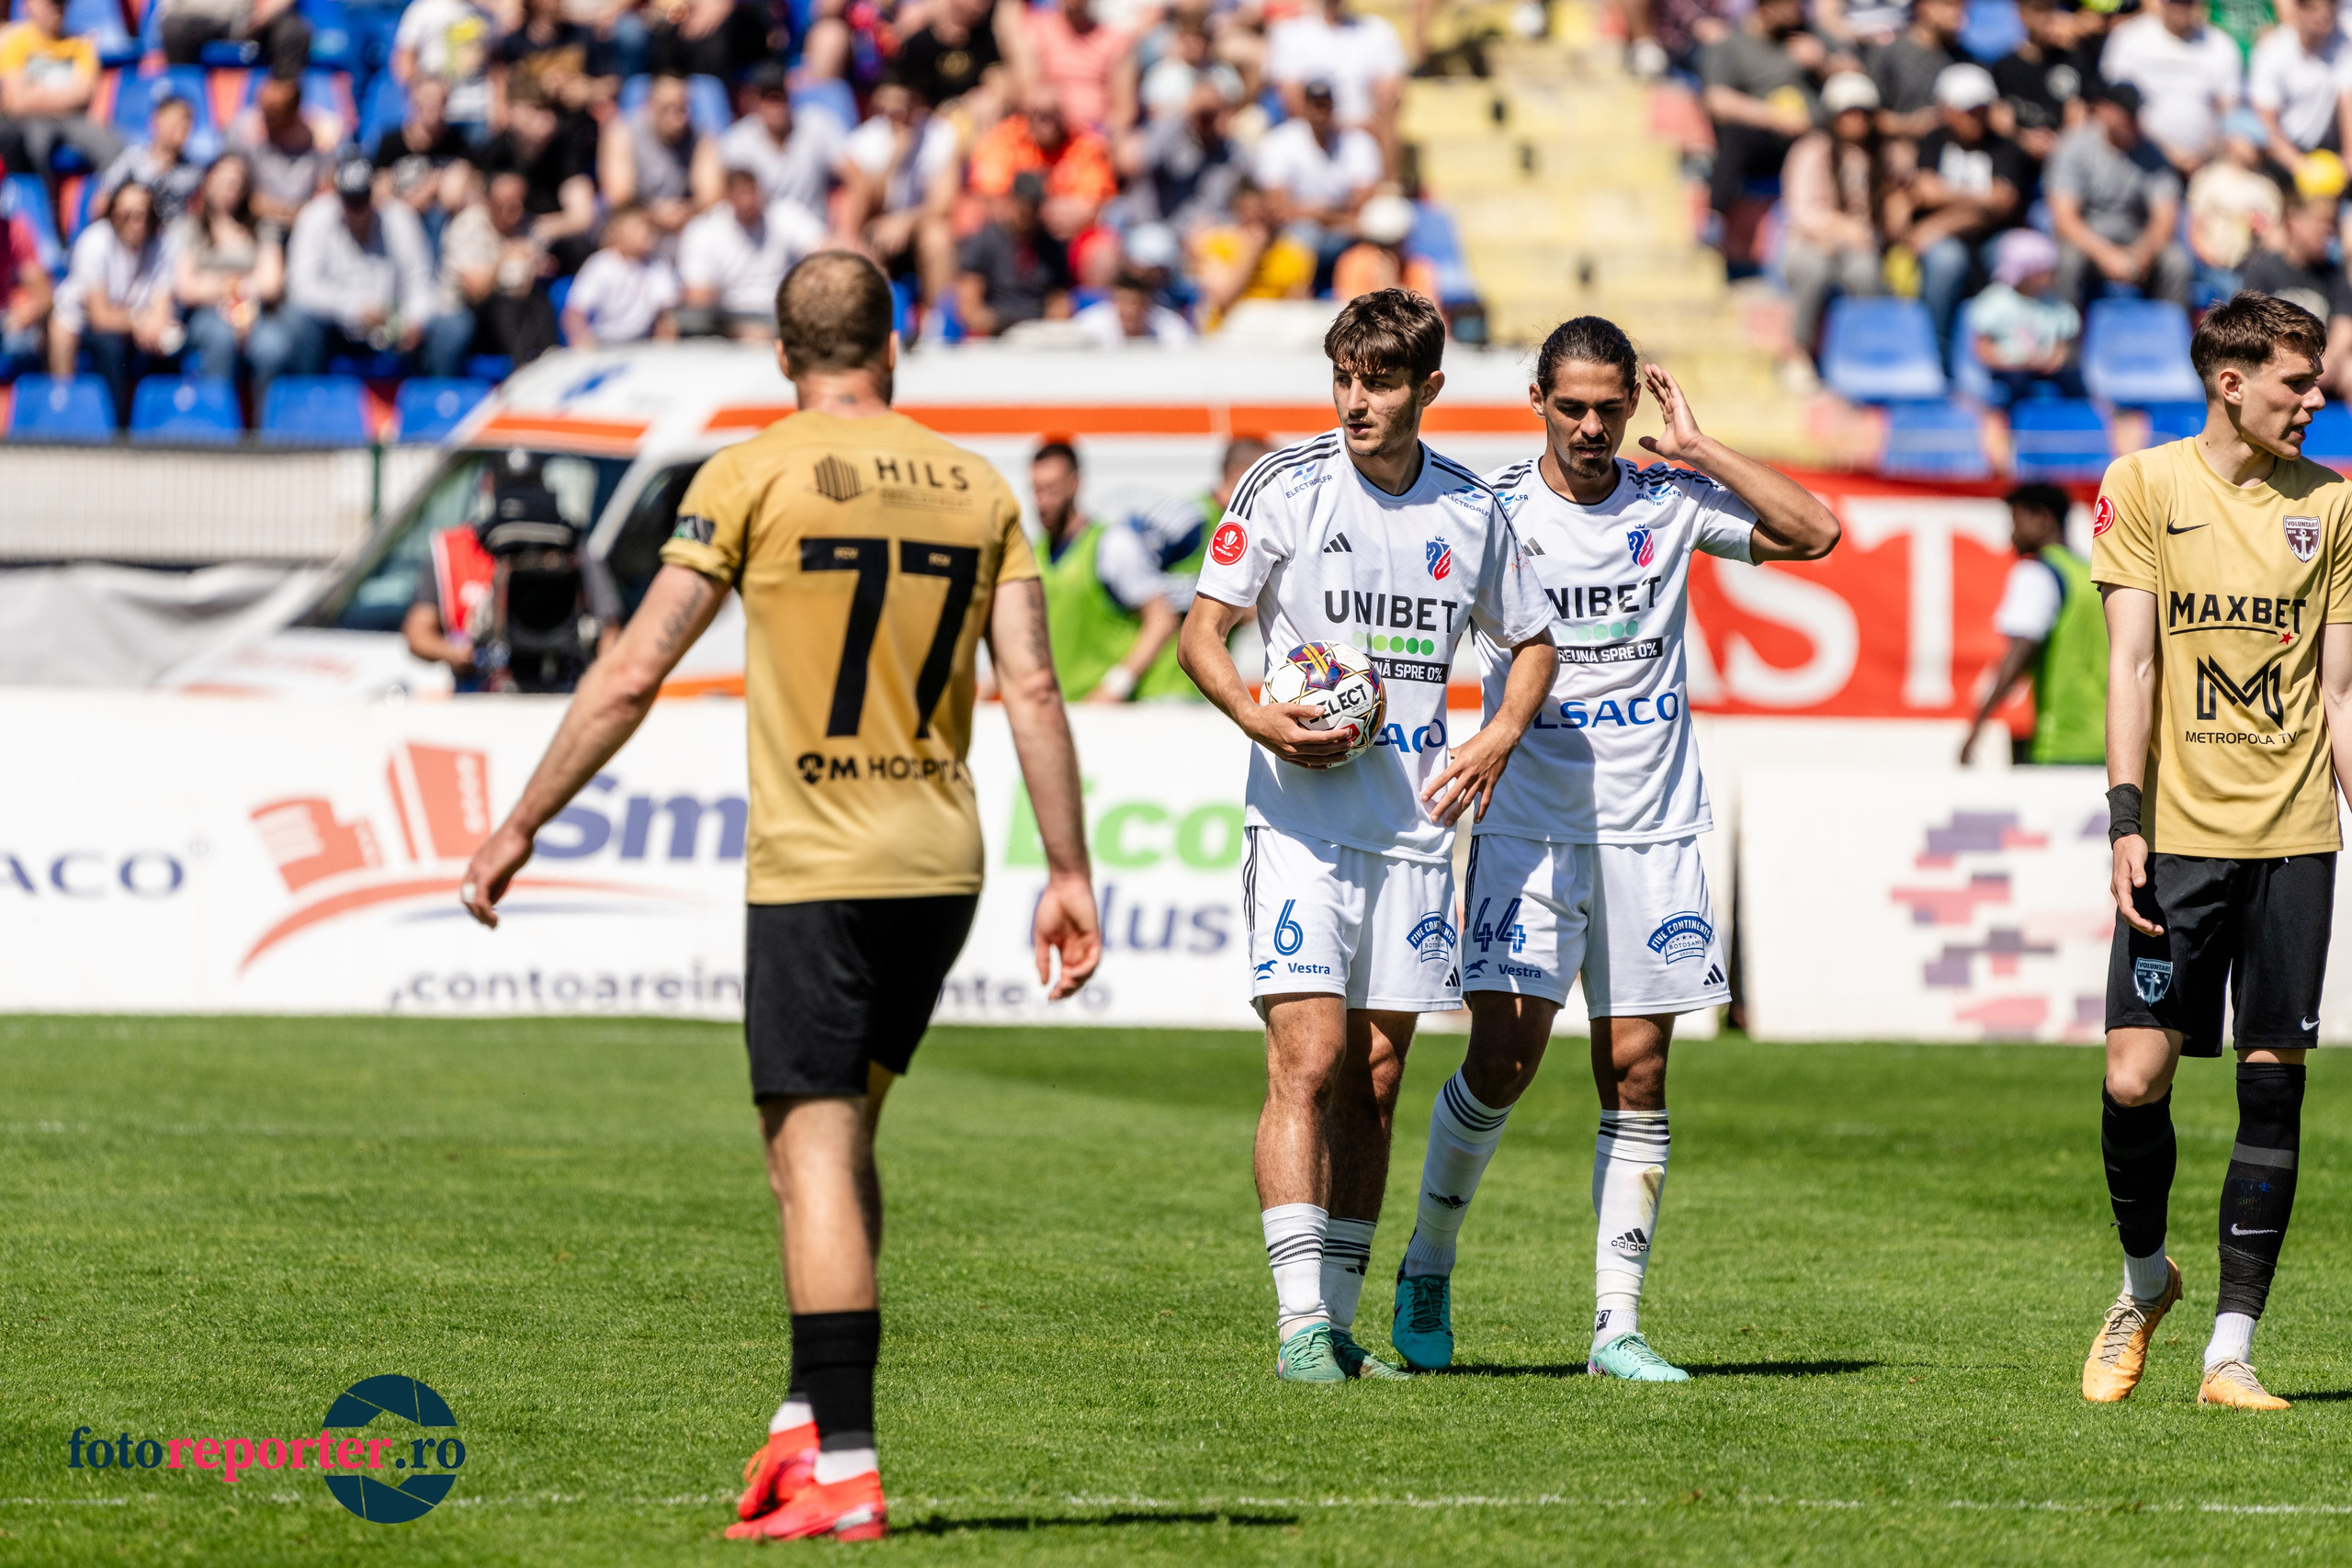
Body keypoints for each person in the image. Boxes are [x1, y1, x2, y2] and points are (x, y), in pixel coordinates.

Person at [458, 249, 1100, 1541]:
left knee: (808, 1157)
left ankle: (847, 1466)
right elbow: (1030, 688)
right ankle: (807, 1419)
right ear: (895, 344)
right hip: (944, 859)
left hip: (818, 862)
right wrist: (1069, 869)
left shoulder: (748, 472)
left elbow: (636, 668)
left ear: (779, 353)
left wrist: (522, 819)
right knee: (833, 1144)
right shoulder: (978, 484)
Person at [1387, 316, 1839, 1382]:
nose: (1592, 427)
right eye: (1573, 407)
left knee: (1635, 1069)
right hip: (1529, 825)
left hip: (1655, 827)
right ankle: (1428, 1261)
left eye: (1610, 407)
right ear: (1536, 403)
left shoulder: (1667, 498)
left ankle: (1615, 1326)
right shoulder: (1491, 508)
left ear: (1634, 403)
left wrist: (1701, 449)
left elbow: (1814, 531)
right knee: (1501, 1061)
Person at [1174, 289, 1557, 1382]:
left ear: (1427, 387)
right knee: (1310, 1056)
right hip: (1300, 824)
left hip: (1413, 830)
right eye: (1343, 377)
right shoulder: (1283, 487)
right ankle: (1298, 1324)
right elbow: (1203, 632)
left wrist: (1497, 734)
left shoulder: (1471, 512)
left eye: (1379, 381)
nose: (1355, 400)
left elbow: (1531, 643)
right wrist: (1255, 712)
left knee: (1377, 1079)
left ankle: (1340, 1325)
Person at [2082, 290, 2352, 1413]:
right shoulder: (2143, 486)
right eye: (2298, 381)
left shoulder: (2332, 507)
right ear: (2230, 383)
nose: (2318, 398)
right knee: (2132, 1078)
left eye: (2318, 378)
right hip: (2177, 838)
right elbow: (2132, 669)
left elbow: (2338, 691)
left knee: (2270, 1086)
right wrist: (2125, 817)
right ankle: (2146, 1285)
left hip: (2293, 835)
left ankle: (2228, 1355)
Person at [280, 155, 469, 378]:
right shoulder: (315, 217)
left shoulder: (399, 218)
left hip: (392, 326)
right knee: (297, 320)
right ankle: (311, 401)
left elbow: (421, 284)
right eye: (351, 202)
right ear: (337, 195)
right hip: (335, 329)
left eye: (362, 200)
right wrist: (354, 309)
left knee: (453, 326)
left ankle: (435, 405)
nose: (357, 211)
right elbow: (302, 290)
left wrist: (413, 321)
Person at [1958, 481, 2106, 766]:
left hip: (2061, 744)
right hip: (2110, 745)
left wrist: (1976, 731)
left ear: (2042, 518)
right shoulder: (2092, 576)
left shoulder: (2037, 573)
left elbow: (2019, 652)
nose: (2011, 536)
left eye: (2016, 522)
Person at [1899, 63, 2030, 362]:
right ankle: (1935, 351)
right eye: (1967, 109)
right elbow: (1923, 192)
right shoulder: (1933, 142)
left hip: (1990, 240)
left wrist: (1939, 222)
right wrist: (1981, 199)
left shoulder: (2005, 148)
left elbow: (2002, 204)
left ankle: (2012, 348)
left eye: (1981, 108)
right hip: (1952, 244)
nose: (1976, 116)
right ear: (1946, 109)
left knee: (2015, 256)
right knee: (1946, 260)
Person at [2047, 81, 2192, 310]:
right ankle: (2066, 340)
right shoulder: (2074, 147)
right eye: (2127, 113)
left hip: (2136, 241)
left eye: (2136, 113)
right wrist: (2107, 256)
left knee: (2176, 263)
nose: (2133, 119)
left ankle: (2177, 340)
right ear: (2104, 111)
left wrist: (2139, 257)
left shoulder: (2152, 154)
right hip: (2089, 241)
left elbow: (2165, 216)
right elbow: (2065, 219)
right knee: (2068, 262)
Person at [51, 181, 179, 426]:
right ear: (113, 215)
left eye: (142, 214)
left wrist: (152, 325)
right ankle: (113, 428)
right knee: (111, 348)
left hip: (137, 323)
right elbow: (100, 317)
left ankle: (164, 427)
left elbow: (162, 308)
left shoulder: (163, 246)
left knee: (170, 345)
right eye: (126, 215)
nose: (135, 222)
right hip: (84, 322)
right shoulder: (94, 242)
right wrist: (140, 321)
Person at [1781, 71, 1886, 354]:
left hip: (1855, 246)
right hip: (1808, 240)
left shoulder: (1877, 157)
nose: (1857, 120)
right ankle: (1798, 352)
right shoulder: (1810, 150)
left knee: (1866, 272)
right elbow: (1802, 211)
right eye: (1849, 112)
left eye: (1863, 113)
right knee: (1813, 269)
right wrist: (1842, 229)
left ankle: (1865, 350)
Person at [1701, 0, 1831, 222]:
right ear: (1765, 7)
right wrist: (1777, 118)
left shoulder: (1809, 35)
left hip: (1817, 136)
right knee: (1736, 137)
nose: (1797, 13)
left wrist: (1822, 65)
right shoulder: (1732, 44)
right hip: (1768, 139)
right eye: (1789, 7)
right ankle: (1714, 219)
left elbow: (1855, 77)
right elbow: (1717, 101)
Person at [839, 76, 959, 314]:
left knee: (938, 238)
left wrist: (905, 222)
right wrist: (896, 157)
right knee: (866, 247)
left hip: (920, 223)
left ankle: (940, 324)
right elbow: (864, 205)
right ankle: (876, 324)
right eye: (887, 109)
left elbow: (943, 203)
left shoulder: (942, 135)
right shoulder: (862, 142)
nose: (895, 115)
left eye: (902, 107)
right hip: (878, 224)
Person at [174, 152, 290, 388]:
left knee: (273, 346)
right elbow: (186, 288)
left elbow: (271, 283)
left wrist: (217, 284)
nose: (231, 186)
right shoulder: (189, 228)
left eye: (237, 181)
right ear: (207, 181)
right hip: (206, 315)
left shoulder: (262, 227)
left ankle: (264, 422)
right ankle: (218, 416)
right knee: (220, 338)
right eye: (223, 179)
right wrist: (240, 284)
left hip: (256, 313)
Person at [1252, 79, 1381, 287]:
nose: (1320, 111)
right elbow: (1277, 210)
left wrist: (1315, 213)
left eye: (1325, 104)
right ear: (1304, 106)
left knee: (1372, 246)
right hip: (1301, 235)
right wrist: (1331, 213)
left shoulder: (1356, 143)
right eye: (1315, 104)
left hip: (1344, 234)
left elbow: (1363, 209)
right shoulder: (1280, 142)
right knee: (1301, 242)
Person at [677, 164, 829, 338]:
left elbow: (826, 252)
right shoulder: (704, 230)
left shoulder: (783, 215)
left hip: (785, 319)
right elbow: (698, 299)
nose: (748, 201)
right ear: (727, 197)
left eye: (752, 192)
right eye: (741, 194)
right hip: (729, 325)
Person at [2099, 0, 2244, 174]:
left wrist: (2207, 151)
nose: (2182, 7)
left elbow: (2228, 110)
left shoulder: (2220, 44)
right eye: (2176, 2)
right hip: (2139, 160)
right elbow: (2114, 107)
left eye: (2189, 2)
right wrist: (2166, 152)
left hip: (2204, 162)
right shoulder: (2129, 38)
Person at [438, 169, 560, 367]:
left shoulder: (529, 226)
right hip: (470, 314)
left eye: (520, 200)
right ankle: (521, 368)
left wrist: (538, 271)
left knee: (540, 301)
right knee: (501, 306)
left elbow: (522, 289)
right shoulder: (466, 228)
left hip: (517, 310)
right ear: (488, 201)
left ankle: (551, 361)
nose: (515, 207)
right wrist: (504, 257)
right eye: (507, 200)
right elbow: (477, 293)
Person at [967, 84, 1119, 241]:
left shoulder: (1084, 146)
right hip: (1012, 234)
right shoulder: (1006, 139)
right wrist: (1023, 212)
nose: (1047, 123)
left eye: (1052, 114)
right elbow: (988, 194)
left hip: (1067, 237)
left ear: (1063, 115)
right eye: (1038, 114)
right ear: (1026, 115)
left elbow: (1094, 204)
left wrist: (1052, 211)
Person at [481, 79, 600, 274]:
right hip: (501, 246)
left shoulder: (564, 151)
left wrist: (534, 233)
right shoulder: (496, 154)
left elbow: (582, 216)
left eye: (550, 109)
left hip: (551, 241)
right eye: (536, 108)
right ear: (512, 111)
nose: (547, 117)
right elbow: (481, 216)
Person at [1265, 0, 1404, 166]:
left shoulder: (1378, 30)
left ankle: (1389, 187)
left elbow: (1391, 93)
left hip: (1365, 136)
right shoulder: (1289, 32)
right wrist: (1337, 126)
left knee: (1366, 146)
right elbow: (1293, 101)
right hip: (1311, 137)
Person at [0, 0, 124, 184]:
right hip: (30, 122)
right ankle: (43, 208)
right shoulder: (15, 42)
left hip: (73, 120)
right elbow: (17, 101)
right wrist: (65, 94)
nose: (57, 9)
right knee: (34, 146)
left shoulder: (81, 43)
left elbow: (84, 95)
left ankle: (105, 202)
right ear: (31, 6)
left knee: (113, 145)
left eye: (61, 4)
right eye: (50, 4)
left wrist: (34, 92)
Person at [2238, 192, 2352, 383]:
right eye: (2320, 223)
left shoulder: (2334, 274)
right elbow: (2253, 330)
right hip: (2274, 361)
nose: (2328, 232)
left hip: (2324, 363)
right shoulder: (2262, 271)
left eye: (2331, 224)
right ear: (2293, 222)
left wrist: (2325, 361)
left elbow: (2344, 325)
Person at [599, 73, 722, 251]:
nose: (678, 118)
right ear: (650, 105)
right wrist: (656, 214)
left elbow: (711, 197)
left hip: (685, 226)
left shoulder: (701, 137)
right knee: (627, 228)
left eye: (682, 108)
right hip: (638, 226)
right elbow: (619, 196)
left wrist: (683, 212)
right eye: (668, 108)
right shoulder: (621, 132)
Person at [1966, 225, 2085, 398]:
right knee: (2013, 385)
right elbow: (1982, 348)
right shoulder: (1995, 301)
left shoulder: (2054, 302)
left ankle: (2085, 417)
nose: (2049, 278)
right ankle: (2003, 421)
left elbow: (2061, 344)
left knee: (2072, 377)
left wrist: (2053, 359)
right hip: (2008, 370)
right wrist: (2011, 362)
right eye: (2042, 272)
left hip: (2044, 367)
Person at [956, 169, 1072, 336]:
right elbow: (969, 308)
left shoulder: (1051, 247)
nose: (1029, 214)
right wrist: (1003, 325)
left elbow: (1059, 302)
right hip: (994, 335)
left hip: (1037, 336)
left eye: (1035, 207)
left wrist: (1048, 329)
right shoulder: (984, 241)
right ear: (1012, 202)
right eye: (1025, 207)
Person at [721, 61, 844, 217]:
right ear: (754, 100)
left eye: (780, 95)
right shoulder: (737, 141)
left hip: (816, 234)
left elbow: (854, 176)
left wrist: (849, 232)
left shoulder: (816, 123)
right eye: (768, 96)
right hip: (761, 234)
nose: (776, 104)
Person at [2247, 0, 2350, 168]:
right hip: (2279, 150)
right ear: (2298, 11)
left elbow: (2348, 101)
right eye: (2314, 11)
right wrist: (2300, 166)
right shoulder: (2272, 49)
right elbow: (2266, 122)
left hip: (2325, 149)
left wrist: (2349, 155)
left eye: (2329, 12)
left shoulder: (2344, 43)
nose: (2322, 18)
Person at [561, 203, 678, 344]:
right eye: (637, 228)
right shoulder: (599, 265)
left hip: (644, 344)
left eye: (649, 228)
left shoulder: (658, 265)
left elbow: (666, 314)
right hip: (603, 343)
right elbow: (574, 313)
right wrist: (583, 342)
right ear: (617, 232)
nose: (647, 233)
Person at [230, 75, 333, 231]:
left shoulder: (323, 138)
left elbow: (326, 201)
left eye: (273, 111)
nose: (265, 116)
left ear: (295, 111)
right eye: (262, 107)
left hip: (309, 228)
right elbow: (244, 199)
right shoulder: (243, 131)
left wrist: (289, 214)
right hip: (255, 227)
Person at [96, 86, 203, 227]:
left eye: (188, 121)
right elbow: (101, 204)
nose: (183, 127)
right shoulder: (133, 159)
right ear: (156, 121)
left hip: (173, 239)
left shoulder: (193, 171)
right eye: (177, 120)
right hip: (132, 235)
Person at [1022, 0, 1134, 130]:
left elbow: (1125, 110)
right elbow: (1029, 91)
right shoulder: (1036, 29)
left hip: (1095, 134)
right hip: (1051, 130)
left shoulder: (1116, 41)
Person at [1869, 0, 1968, 142]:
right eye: (1949, 5)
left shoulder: (1963, 59)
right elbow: (1867, 116)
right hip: (1899, 149)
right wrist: (1907, 125)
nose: (1957, 13)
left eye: (1961, 7)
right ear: (1923, 7)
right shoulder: (1889, 54)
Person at [393, 0, 495, 137]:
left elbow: (495, 63)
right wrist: (420, 104)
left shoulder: (485, 13)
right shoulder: (422, 9)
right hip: (438, 114)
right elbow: (404, 61)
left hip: (479, 110)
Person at [894, 0, 1012, 115]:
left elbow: (997, 79)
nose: (982, 4)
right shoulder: (920, 43)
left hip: (972, 118)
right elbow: (904, 93)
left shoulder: (984, 38)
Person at [158, 0, 311, 77]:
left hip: (246, 20)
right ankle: (182, 100)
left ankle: (285, 111)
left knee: (293, 32)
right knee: (174, 29)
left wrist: (264, 17)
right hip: (191, 18)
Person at [372, 74, 474, 173]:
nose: (432, 109)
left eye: (439, 103)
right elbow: (381, 186)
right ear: (414, 102)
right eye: (426, 102)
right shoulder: (391, 143)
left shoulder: (457, 145)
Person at [0, 192, 50, 378]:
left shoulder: (14, 229)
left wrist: (31, 310)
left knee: (23, 344)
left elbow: (44, 297)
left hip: (5, 323)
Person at [1071, 267, 1193, 344]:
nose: (1130, 311)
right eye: (1123, 302)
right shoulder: (1088, 326)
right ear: (1112, 302)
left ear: (1148, 303)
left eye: (1136, 303)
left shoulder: (1169, 327)